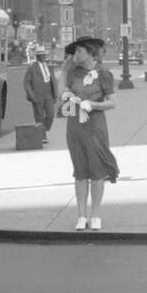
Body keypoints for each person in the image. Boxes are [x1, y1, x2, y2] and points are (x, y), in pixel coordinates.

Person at [59, 37, 119, 231]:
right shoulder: (73, 73)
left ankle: (95, 215)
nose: (75, 55)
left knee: (97, 171)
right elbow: (61, 95)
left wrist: (93, 105)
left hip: (95, 126)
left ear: (90, 54)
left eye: (79, 52)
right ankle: (81, 216)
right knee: (80, 172)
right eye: (74, 52)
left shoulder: (103, 74)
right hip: (75, 126)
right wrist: (65, 71)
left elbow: (112, 102)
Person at [23, 47, 58, 144]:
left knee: (51, 114)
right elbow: (26, 82)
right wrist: (31, 95)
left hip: (48, 94)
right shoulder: (32, 67)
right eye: (42, 55)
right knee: (39, 116)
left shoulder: (49, 66)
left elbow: (53, 81)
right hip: (37, 95)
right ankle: (43, 136)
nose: (44, 56)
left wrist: (55, 94)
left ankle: (44, 129)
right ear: (38, 56)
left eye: (44, 55)